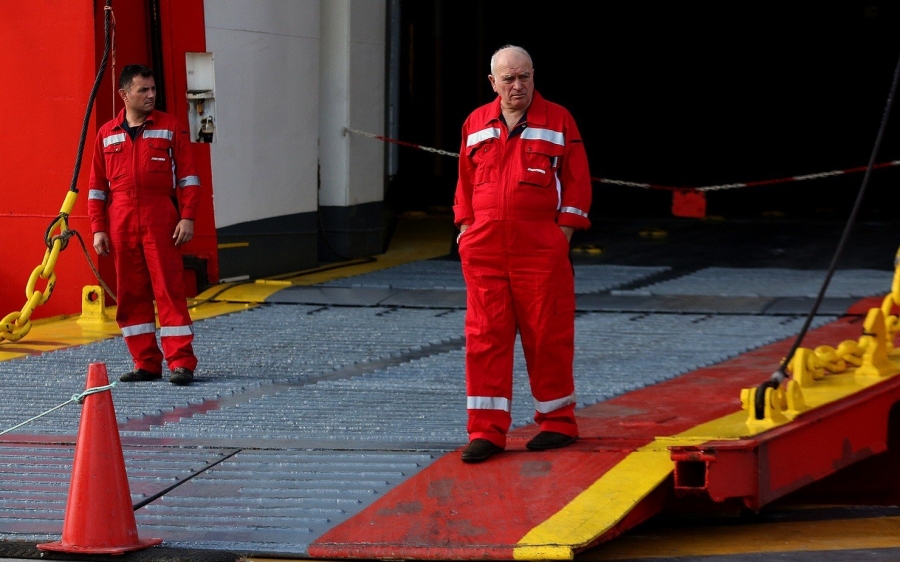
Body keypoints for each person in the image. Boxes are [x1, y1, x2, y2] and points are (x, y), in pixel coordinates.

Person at [453, 45, 592, 463]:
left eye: (525, 77)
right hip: (484, 251)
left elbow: (577, 180)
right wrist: (466, 230)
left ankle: (558, 423)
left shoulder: (559, 120)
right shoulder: (475, 122)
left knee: (547, 334)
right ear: (493, 83)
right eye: (509, 79)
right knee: (484, 338)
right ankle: (487, 431)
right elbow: (464, 183)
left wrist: (562, 235)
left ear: (534, 77)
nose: (518, 86)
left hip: (539, 250)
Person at [88, 64, 200, 386]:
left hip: (159, 217)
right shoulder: (106, 134)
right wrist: (98, 228)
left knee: (169, 290)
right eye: (143, 90)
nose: (151, 95)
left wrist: (187, 216)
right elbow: (96, 188)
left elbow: (189, 178)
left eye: (153, 89)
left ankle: (181, 363)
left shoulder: (170, 127)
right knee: (130, 294)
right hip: (121, 219)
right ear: (124, 95)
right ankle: (146, 363)